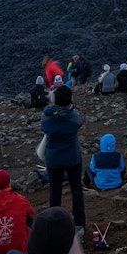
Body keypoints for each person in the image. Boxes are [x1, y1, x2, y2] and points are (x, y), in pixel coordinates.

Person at [41, 85, 85, 228]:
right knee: (77, 191)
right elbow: (79, 123)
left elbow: (45, 128)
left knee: (55, 193)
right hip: (72, 157)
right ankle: (79, 224)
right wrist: (70, 109)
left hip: (54, 159)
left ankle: (54, 225)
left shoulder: (46, 117)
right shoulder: (73, 117)